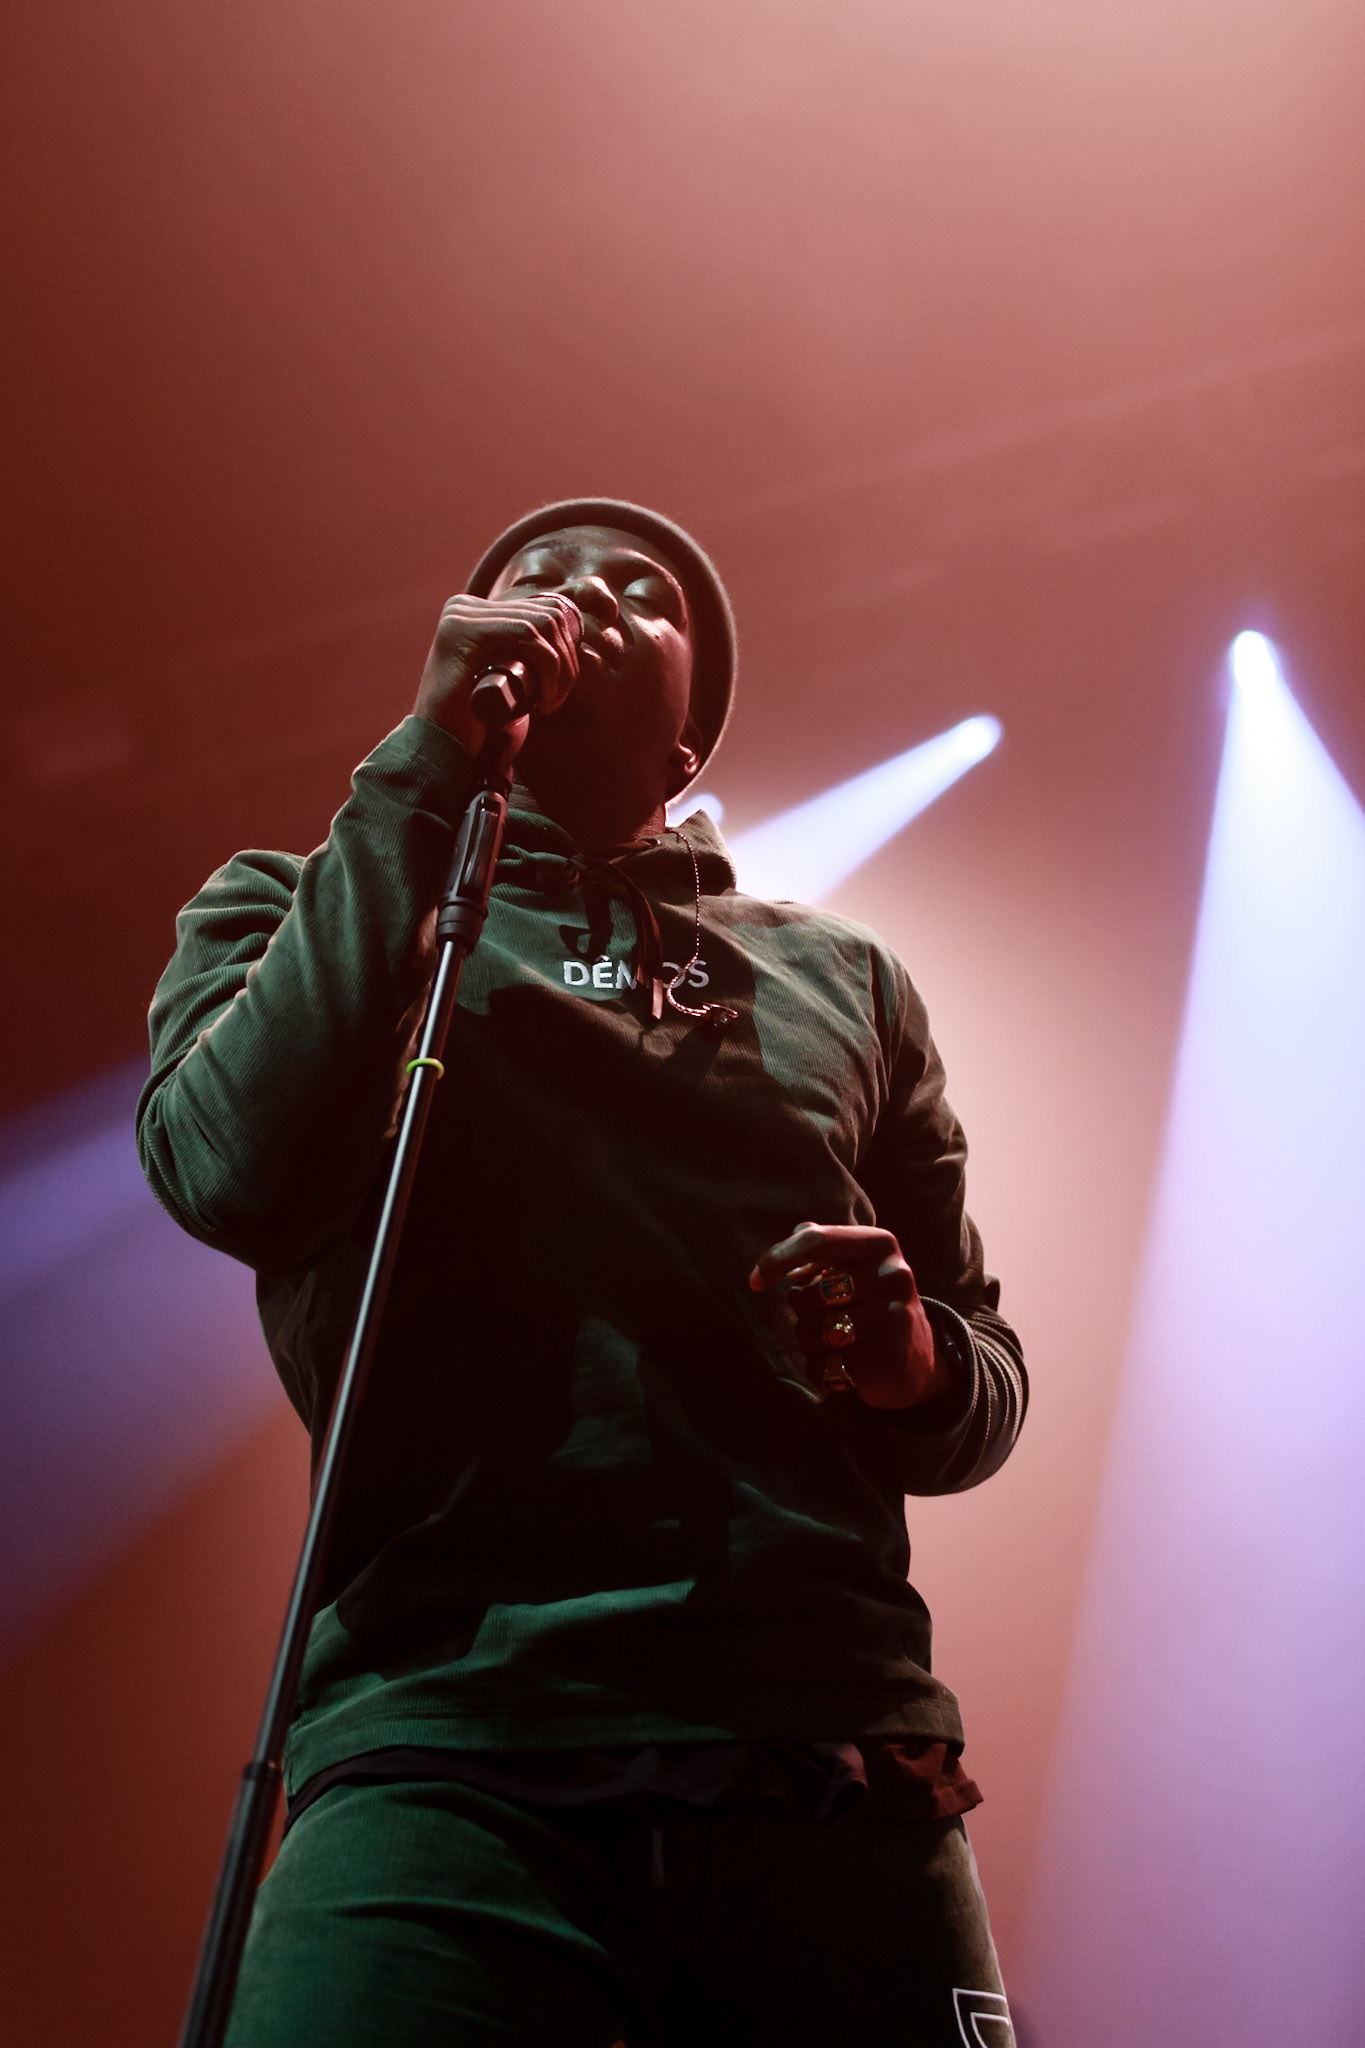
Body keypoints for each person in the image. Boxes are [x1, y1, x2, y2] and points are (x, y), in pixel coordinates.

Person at [138, 498, 1027, 2047]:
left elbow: (980, 1378)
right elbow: (222, 1168)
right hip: (443, 1747)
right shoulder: (296, 906)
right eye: (537, 580)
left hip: (821, 1752)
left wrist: (906, 1359)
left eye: (644, 590)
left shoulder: (842, 978)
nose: (584, 593)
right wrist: (416, 775)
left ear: (689, 744)